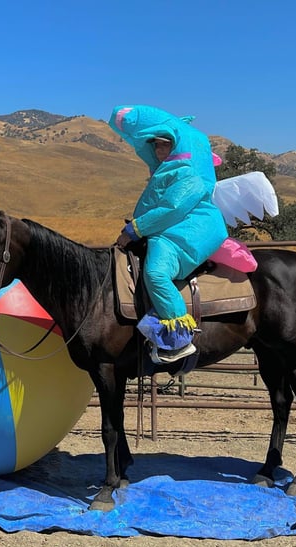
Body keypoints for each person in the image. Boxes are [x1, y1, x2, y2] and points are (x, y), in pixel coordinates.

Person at [110, 105, 228, 363]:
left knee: (156, 273)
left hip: (184, 232)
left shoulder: (188, 174)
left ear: (177, 145)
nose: (158, 150)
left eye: (164, 144)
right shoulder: (168, 171)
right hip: (171, 229)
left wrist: (135, 229)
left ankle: (178, 340)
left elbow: (171, 208)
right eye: (154, 144)